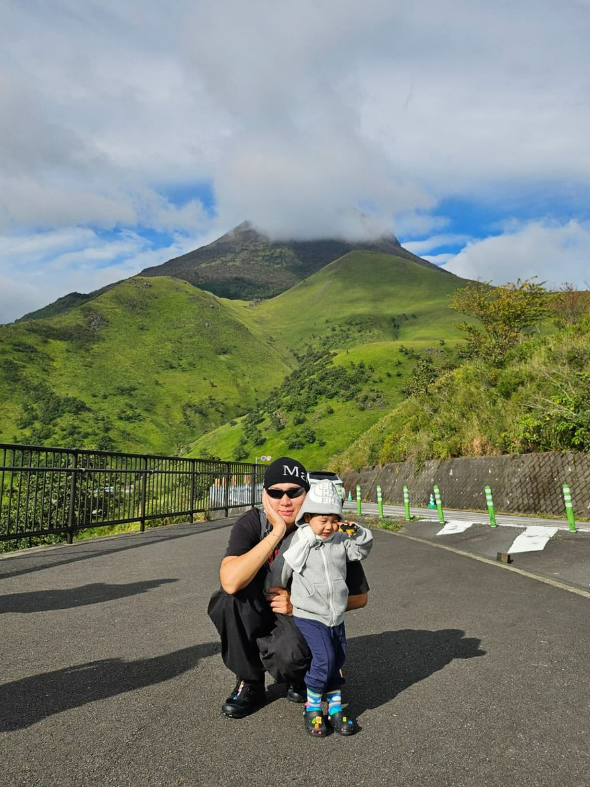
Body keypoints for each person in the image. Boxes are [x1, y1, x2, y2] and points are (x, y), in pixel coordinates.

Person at [207, 456, 370, 719]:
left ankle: (302, 675)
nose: (285, 500)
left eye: (294, 492)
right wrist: (277, 531)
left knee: (291, 657)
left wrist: (298, 604)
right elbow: (230, 580)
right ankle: (250, 682)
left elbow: (360, 597)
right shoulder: (253, 523)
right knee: (227, 600)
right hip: (261, 609)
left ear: (307, 495)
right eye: (276, 492)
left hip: (300, 617)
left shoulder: (327, 529)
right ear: (265, 495)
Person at [265, 480, 372, 737]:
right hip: (309, 614)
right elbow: (282, 568)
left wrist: (356, 532)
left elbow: (361, 551)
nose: (328, 527)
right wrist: (275, 591)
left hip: (335, 613)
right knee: (324, 659)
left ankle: (334, 707)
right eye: (322, 520)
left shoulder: (339, 540)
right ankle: (312, 706)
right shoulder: (301, 541)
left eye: (334, 520)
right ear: (308, 517)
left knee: (338, 658)